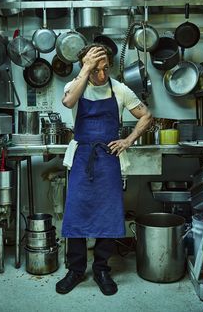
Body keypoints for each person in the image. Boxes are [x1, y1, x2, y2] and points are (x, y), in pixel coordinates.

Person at [56, 44, 152, 296]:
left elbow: (146, 115)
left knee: (108, 215)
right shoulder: (76, 86)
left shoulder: (119, 89)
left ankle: (101, 269)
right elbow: (67, 102)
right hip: (82, 158)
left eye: (105, 68)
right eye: (95, 69)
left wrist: (128, 140)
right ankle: (76, 269)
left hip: (108, 159)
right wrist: (86, 69)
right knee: (76, 213)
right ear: (85, 67)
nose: (102, 75)